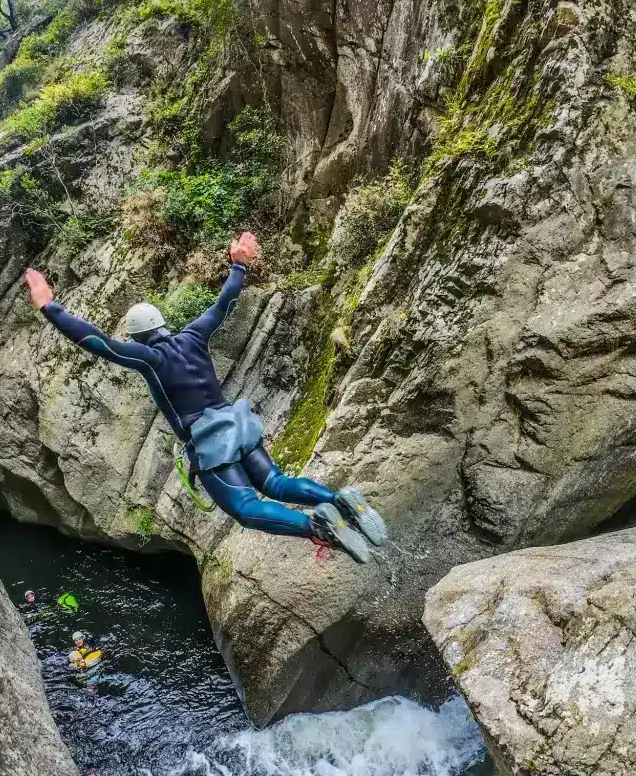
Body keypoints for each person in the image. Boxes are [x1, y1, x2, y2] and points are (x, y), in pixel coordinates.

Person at [24, 231, 387, 563]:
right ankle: (339, 501)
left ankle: (317, 528)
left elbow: (99, 342)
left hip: (213, 443)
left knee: (245, 508)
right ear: (162, 324)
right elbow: (224, 303)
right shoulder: (194, 337)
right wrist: (239, 265)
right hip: (238, 425)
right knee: (276, 483)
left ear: (138, 337)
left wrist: (48, 307)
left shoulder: (149, 358)